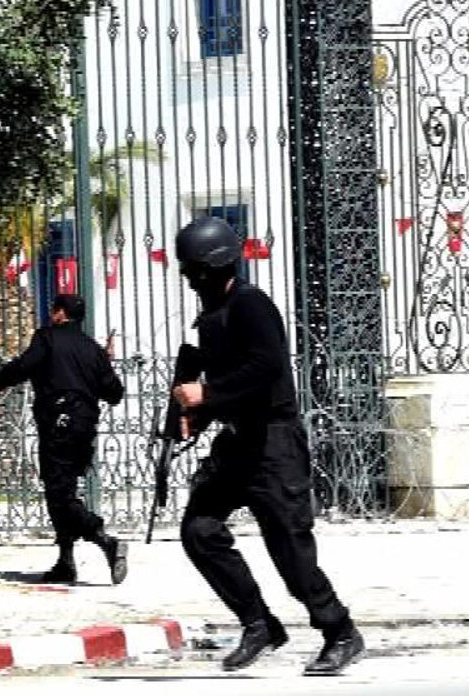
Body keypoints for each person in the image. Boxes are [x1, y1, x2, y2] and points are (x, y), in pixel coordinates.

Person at [170, 216, 364, 676]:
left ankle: (339, 631)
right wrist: (196, 416)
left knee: (290, 552)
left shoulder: (251, 305)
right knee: (199, 530)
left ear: (215, 266)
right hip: (237, 442)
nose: (190, 279)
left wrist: (207, 393)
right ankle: (259, 624)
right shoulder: (213, 315)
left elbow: (265, 367)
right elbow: (229, 384)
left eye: (195, 270)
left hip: (274, 444)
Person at [0, 293, 127, 585]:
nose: (50, 315)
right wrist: (103, 363)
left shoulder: (47, 338)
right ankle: (65, 562)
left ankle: (104, 539)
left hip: (58, 425)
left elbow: (24, 366)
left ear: (60, 314)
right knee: (62, 492)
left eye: (53, 310)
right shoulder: (92, 349)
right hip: (84, 428)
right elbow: (114, 394)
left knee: (59, 494)